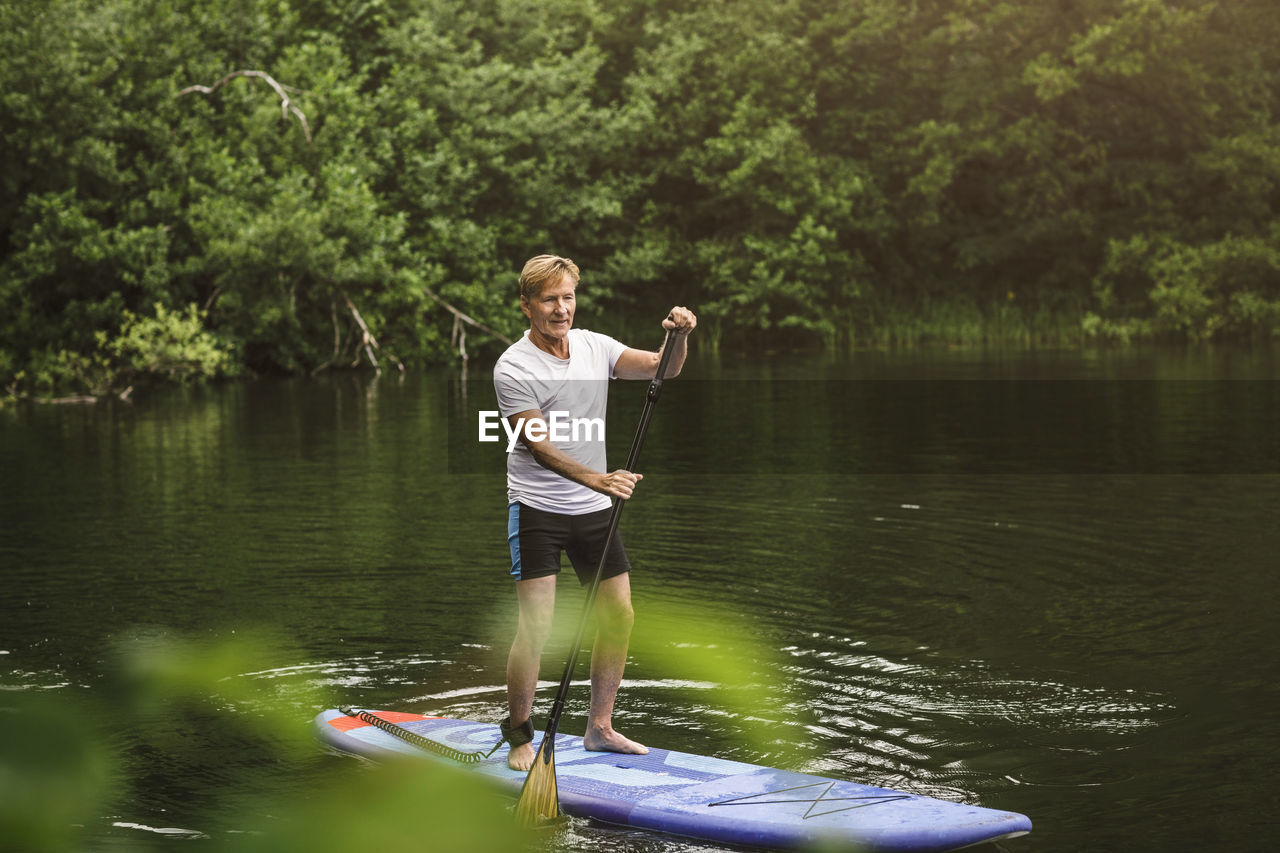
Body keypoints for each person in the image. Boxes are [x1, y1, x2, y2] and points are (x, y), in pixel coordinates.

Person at [493, 254, 696, 772]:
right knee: (536, 627)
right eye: (549, 299)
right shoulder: (513, 366)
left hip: (592, 510)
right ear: (527, 305)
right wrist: (599, 479)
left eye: (568, 297)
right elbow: (537, 447)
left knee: (620, 616)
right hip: (537, 507)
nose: (562, 309)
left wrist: (680, 336)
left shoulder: (594, 345)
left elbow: (662, 369)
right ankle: (520, 734)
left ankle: (599, 728)